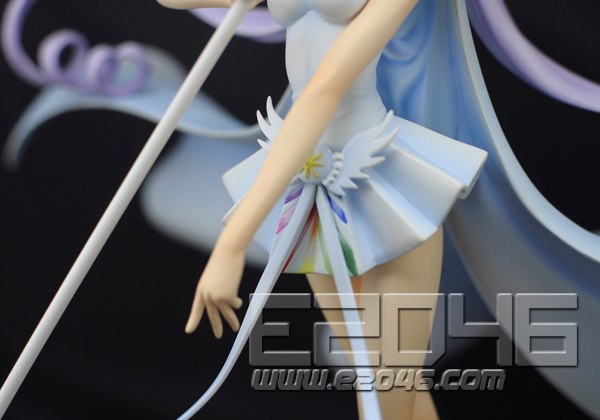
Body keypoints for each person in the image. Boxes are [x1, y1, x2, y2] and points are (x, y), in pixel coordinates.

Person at [158, 1, 487, 419]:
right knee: (387, 391)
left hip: (379, 184)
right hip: (314, 190)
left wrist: (232, 243)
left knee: (385, 396)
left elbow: (322, 91)